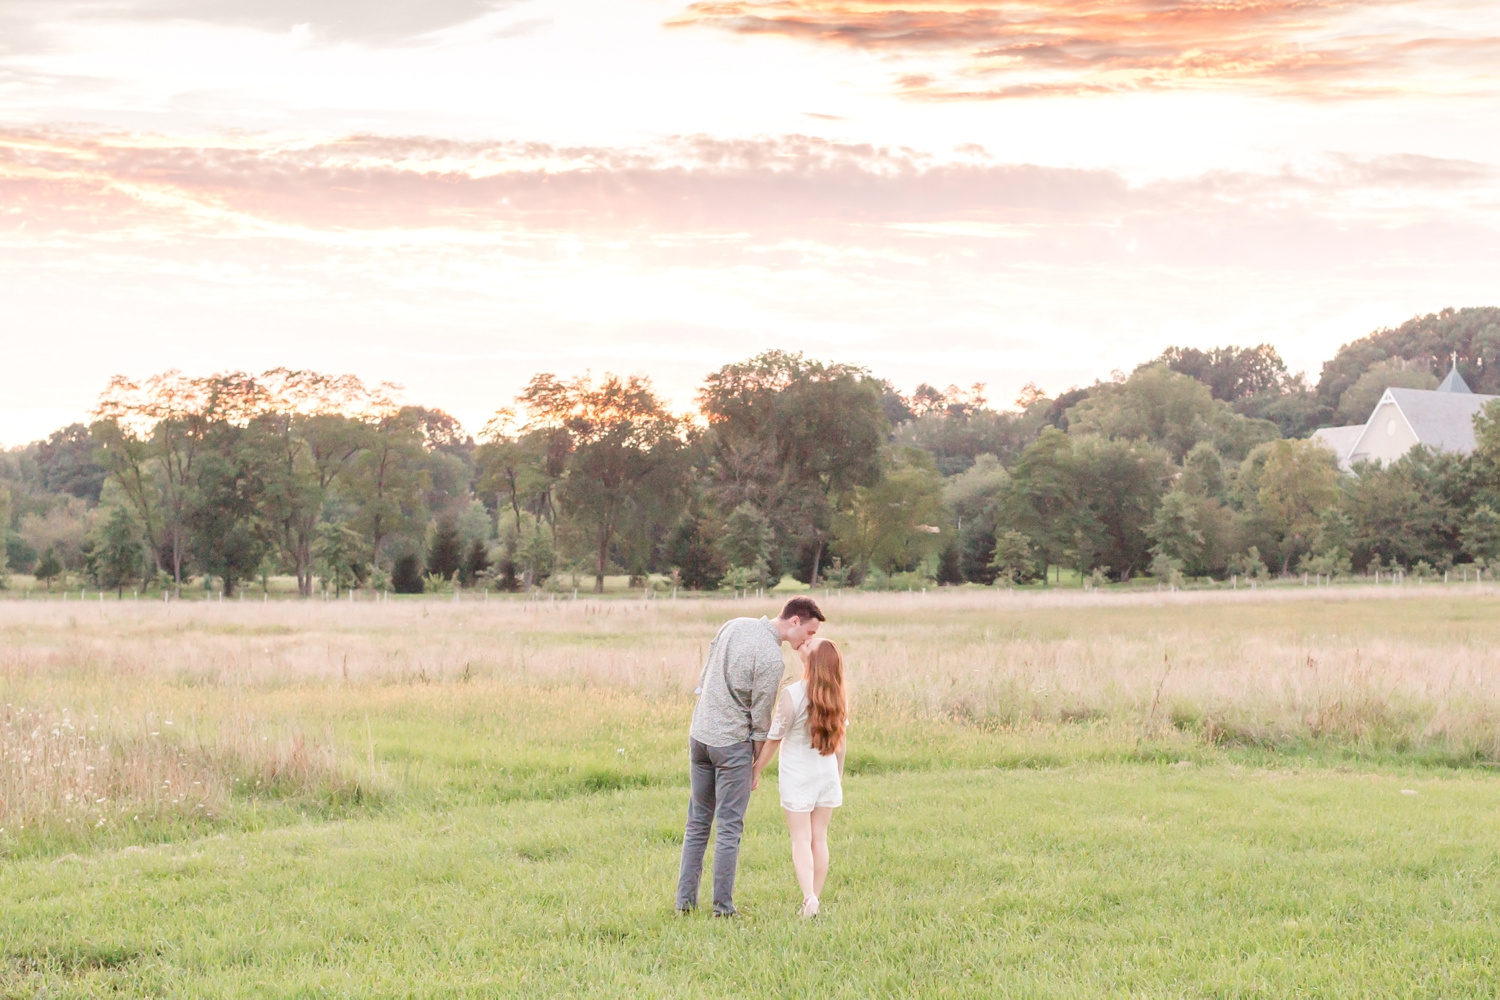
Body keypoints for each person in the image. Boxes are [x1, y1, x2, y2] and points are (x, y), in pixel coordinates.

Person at [676, 596, 825, 917]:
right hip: (732, 747)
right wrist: (755, 764)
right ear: (795, 621)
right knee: (729, 828)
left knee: (698, 823)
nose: (809, 640)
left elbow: (705, 677)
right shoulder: (772, 659)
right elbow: (761, 718)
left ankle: (684, 904)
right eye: (810, 632)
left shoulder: (733, 625)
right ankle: (723, 909)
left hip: (699, 736)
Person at [751, 637, 847, 918]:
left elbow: (773, 740)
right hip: (826, 775)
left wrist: (755, 771)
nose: (803, 645)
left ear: (812, 661)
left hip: (798, 777)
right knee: (820, 838)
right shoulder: (837, 694)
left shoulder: (793, 694)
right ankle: (814, 899)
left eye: (809, 646)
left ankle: (809, 898)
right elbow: (842, 741)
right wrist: (837, 777)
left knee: (801, 840)